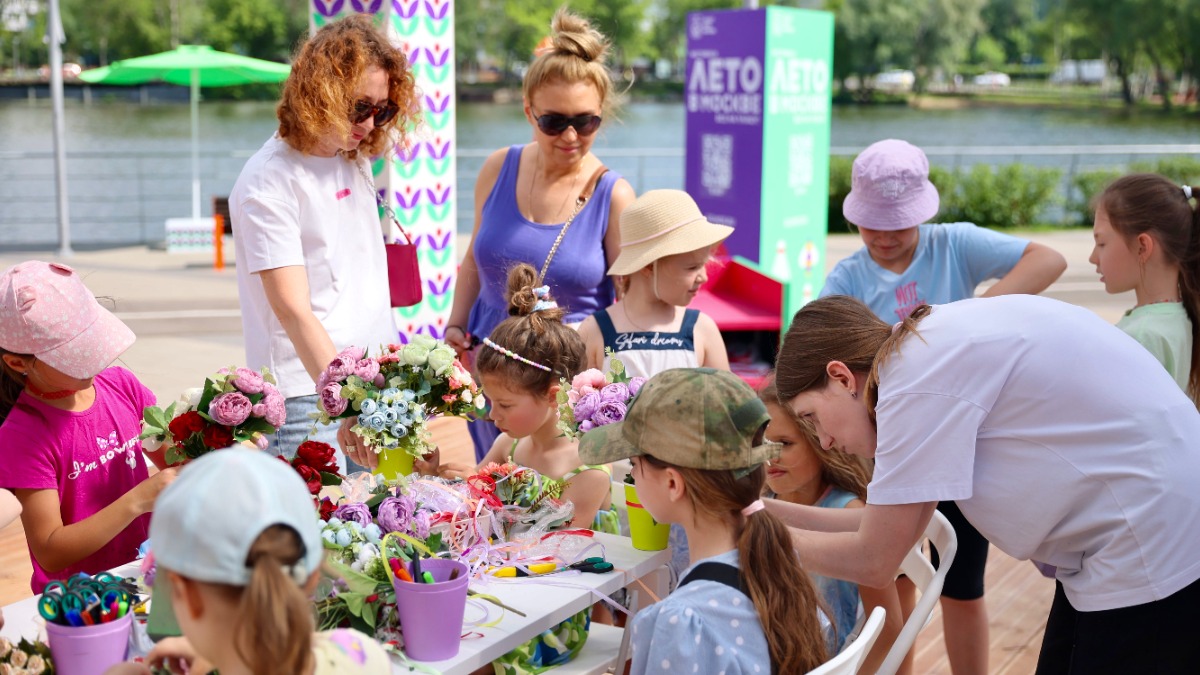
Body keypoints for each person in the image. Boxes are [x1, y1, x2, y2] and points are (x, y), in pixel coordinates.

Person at [771, 294, 1200, 674]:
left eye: (811, 418)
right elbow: (885, 529)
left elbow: (876, 558)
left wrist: (749, 539)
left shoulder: (911, 387)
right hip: (1140, 514)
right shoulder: (915, 355)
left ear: (842, 377)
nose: (824, 441)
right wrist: (761, 513)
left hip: (1149, 532)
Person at [822, 138, 1068, 675]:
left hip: (962, 442)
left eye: (898, 225)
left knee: (962, 584)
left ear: (922, 215)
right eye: (873, 225)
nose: (885, 237)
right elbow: (824, 349)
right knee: (893, 579)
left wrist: (971, 317)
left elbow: (1048, 258)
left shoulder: (954, 244)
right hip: (891, 448)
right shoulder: (846, 278)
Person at [230, 14, 421, 470]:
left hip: (375, 382)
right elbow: (293, 309)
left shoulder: (351, 156)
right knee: (322, 537)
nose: (371, 123)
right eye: (360, 107)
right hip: (307, 398)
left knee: (386, 526)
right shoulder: (268, 181)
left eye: (384, 109)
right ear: (321, 94)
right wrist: (348, 405)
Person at [445, 7, 636, 462]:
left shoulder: (614, 195)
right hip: (488, 367)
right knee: (493, 492)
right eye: (554, 122)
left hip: (563, 382)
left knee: (557, 504)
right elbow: (474, 259)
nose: (571, 135)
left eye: (586, 121)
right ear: (529, 112)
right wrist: (454, 325)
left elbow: (627, 303)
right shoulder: (498, 167)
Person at [421, 263, 616, 673]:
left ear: (551, 395)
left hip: (552, 615)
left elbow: (556, 556)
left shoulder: (588, 468)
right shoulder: (510, 443)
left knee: (467, 657)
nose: (493, 415)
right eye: (491, 402)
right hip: (501, 592)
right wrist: (440, 476)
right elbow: (473, 497)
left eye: (505, 405)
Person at [578, 368, 829, 674]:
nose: (633, 475)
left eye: (634, 465)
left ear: (673, 483)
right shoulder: (783, 568)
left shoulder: (682, 620)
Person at [105, 448, 391, 675]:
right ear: (314, 575)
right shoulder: (361, 654)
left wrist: (218, 651)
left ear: (182, 594)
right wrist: (220, 651)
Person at [0, 261, 176, 593]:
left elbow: (175, 460)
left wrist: (218, 440)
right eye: (76, 354)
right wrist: (138, 500)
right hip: (80, 600)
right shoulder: (22, 437)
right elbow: (51, 549)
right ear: (18, 362)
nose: (96, 360)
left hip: (146, 569)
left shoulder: (122, 385)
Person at [758, 377, 904, 672]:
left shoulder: (849, 514)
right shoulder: (762, 500)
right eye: (760, 443)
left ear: (822, 443)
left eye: (784, 444)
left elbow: (889, 625)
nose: (769, 456)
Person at [578, 189, 730, 374]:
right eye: (692, 267)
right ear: (648, 266)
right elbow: (573, 400)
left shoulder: (702, 329)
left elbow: (729, 401)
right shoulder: (595, 330)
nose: (703, 277)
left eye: (704, 265)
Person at [1089, 173, 1199, 404]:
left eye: (1101, 244)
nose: (1092, 257)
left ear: (1142, 247)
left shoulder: (1142, 336)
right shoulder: (1181, 318)